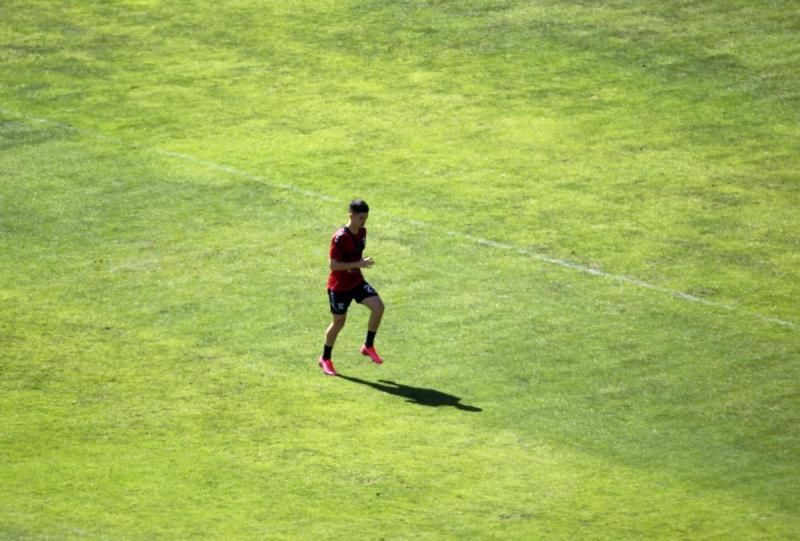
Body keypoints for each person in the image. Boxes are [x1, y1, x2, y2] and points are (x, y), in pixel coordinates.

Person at [318, 199, 385, 376]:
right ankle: (325, 358)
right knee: (339, 322)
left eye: (366, 218)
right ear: (351, 215)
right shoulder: (339, 237)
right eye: (361, 218)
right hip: (339, 287)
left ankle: (368, 345)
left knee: (378, 307)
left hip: (356, 282)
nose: (363, 221)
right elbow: (333, 265)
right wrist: (359, 263)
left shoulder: (362, 232)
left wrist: (358, 265)